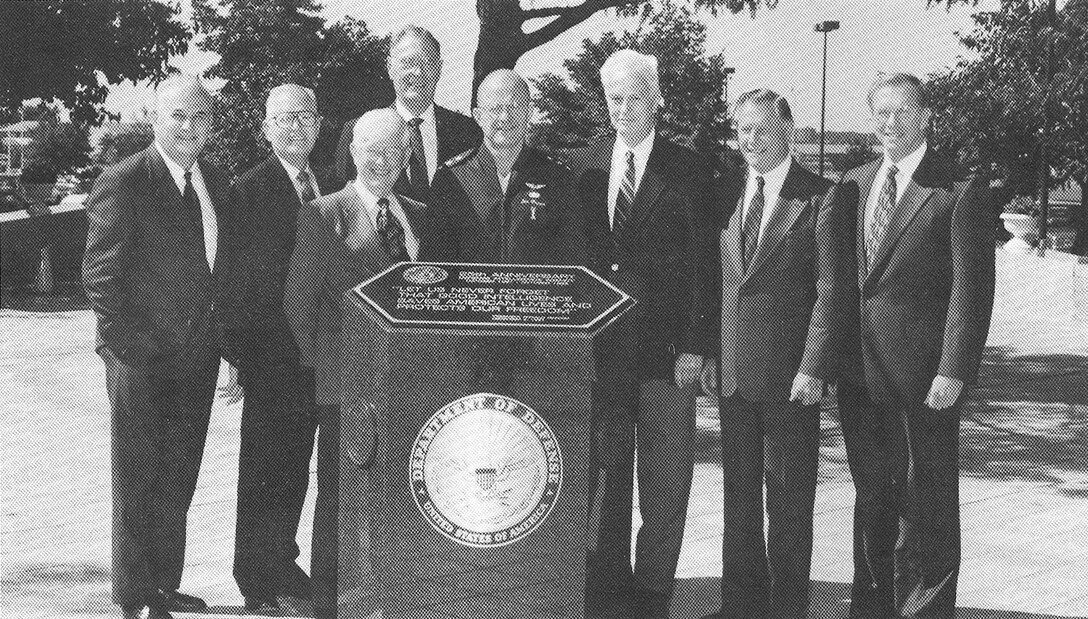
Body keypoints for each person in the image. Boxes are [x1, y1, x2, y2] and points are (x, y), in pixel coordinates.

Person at [835, 72, 995, 619]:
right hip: (859, 374)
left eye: (902, 112)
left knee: (925, 505)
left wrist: (954, 368)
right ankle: (872, 605)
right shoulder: (852, 183)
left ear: (927, 116)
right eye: (880, 113)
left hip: (925, 379)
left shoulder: (957, 188)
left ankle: (924, 609)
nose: (890, 123)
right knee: (872, 498)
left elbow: (970, 290)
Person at [568, 49, 714, 619]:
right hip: (597, 354)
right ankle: (605, 589)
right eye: (614, 98)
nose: (624, 108)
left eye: (634, 96)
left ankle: (653, 591)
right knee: (601, 478)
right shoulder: (579, 167)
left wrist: (696, 345)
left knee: (665, 481)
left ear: (656, 99)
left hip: (666, 354)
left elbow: (706, 266)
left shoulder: (691, 170)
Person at [82, 75, 229, 619]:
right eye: (177, 116)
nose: (188, 127)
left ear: (210, 124)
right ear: (154, 118)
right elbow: (101, 277)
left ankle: (165, 583)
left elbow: (219, 268)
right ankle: (133, 596)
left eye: (199, 117)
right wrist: (134, 351)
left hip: (198, 354)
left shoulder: (213, 179)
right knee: (138, 476)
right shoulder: (124, 180)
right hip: (139, 357)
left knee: (179, 475)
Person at [284, 108, 436, 619]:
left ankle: (398, 600)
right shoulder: (325, 212)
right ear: (352, 153)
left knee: (406, 499)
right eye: (372, 149)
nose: (383, 160)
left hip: (413, 387)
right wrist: (334, 374)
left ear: (408, 155)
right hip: (349, 388)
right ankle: (333, 605)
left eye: (395, 150)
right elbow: (299, 305)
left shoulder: (419, 213)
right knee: (343, 503)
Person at [699, 90, 841, 619]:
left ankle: (787, 609)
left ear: (787, 128)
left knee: (787, 506)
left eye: (761, 129)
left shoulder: (822, 196)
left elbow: (830, 290)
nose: (750, 141)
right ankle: (739, 606)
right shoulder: (726, 194)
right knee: (738, 506)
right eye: (742, 131)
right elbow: (717, 282)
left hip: (790, 380)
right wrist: (712, 355)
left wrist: (813, 366)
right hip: (733, 376)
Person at [220, 84, 325, 616]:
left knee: (296, 469)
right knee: (264, 468)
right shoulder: (249, 190)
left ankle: (282, 559)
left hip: (318, 359)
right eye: (283, 119)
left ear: (318, 125)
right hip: (272, 360)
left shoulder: (327, 184)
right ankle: (256, 577)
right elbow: (238, 284)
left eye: (304, 118)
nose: (295, 128)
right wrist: (241, 359)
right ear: (265, 128)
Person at [428, 68, 586, 265]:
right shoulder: (451, 179)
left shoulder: (558, 178)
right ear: (478, 116)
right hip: (472, 295)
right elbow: (433, 264)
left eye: (515, 107)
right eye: (495, 109)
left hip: (536, 295)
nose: (505, 117)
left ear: (529, 112)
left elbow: (575, 264)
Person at [333, 25, 481, 196]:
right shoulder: (357, 132)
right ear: (390, 67)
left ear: (439, 69)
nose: (417, 72)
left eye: (427, 63)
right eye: (408, 62)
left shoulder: (468, 133)